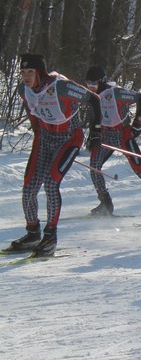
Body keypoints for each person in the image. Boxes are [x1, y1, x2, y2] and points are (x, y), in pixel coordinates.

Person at [7, 53, 101, 257]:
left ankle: (50, 237)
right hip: (44, 138)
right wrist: (37, 129)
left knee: (50, 184)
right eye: (23, 72)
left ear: (40, 72)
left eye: (30, 71)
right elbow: (30, 108)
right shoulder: (23, 89)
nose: (26, 76)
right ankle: (33, 233)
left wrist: (96, 132)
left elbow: (94, 100)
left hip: (69, 138)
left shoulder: (61, 86)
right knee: (29, 187)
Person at [84, 65, 141, 218]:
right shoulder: (93, 96)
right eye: (88, 83)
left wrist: (137, 123)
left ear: (102, 81)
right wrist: (92, 135)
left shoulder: (115, 93)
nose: (90, 87)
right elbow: (95, 117)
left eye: (93, 83)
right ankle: (106, 203)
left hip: (123, 135)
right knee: (94, 167)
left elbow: (140, 98)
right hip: (105, 135)